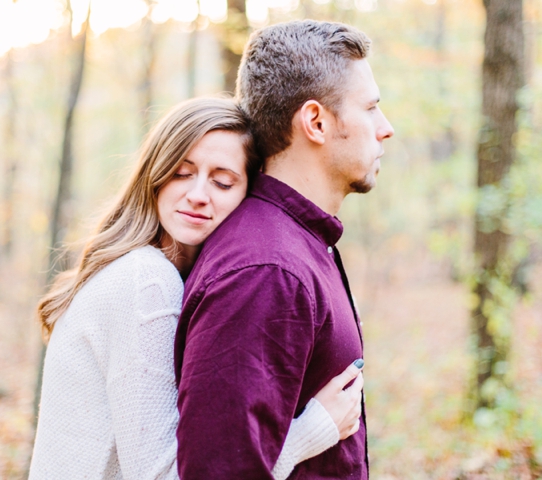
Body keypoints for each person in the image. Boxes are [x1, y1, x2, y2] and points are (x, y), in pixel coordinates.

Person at [28, 97, 365, 480]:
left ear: (247, 195)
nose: (199, 194)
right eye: (181, 173)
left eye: (223, 181)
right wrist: (312, 430)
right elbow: (163, 476)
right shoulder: (145, 280)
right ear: (154, 175)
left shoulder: (160, 272)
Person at [175, 20, 394, 479]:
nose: (385, 128)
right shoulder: (268, 270)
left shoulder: (298, 245)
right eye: (371, 108)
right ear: (315, 122)